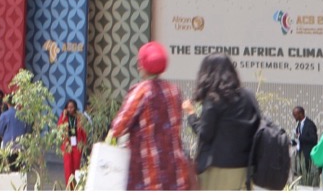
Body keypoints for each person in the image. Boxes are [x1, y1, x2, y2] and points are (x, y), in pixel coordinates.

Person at [107, 42, 192, 190]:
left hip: (147, 175)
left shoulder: (141, 92)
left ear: (143, 65)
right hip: (174, 173)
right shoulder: (174, 91)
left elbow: (118, 127)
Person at [180, 53, 259, 190]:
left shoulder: (214, 98)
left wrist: (191, 114)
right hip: (245, 167)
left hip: (217, 168)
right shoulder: (247, 95)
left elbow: (205, 134)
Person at [58, 98, 87, 188]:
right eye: (69, 107)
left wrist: (83, 143)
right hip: (67, 145)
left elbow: (84, 131)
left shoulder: (79, 117)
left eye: (72, 107)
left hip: (77, 144)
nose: (70, 109)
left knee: (76, 166)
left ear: (75, 107)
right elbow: (59, 129)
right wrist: (63, 117)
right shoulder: (63, 116)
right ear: (66, 108)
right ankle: (69, 186)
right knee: (68, 166)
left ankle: (76, 186)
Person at [292, 105, 320, 187]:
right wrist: (292, 141)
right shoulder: (298, 124)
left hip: (308, 155)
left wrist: (300, 137)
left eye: (295, 114)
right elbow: (298, 139)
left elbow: (313, 139)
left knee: (308, 175)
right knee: (300, 174)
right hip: (300, 154)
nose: (294, 116)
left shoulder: (310, 124)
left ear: (301, 114)